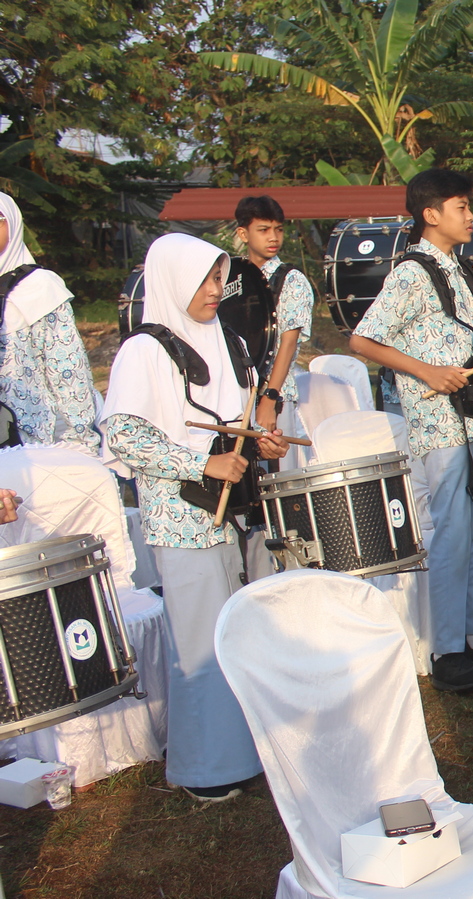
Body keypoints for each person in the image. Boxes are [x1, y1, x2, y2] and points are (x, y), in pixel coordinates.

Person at [102, 233, 290, 802]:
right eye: (206, 280)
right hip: (183, 516)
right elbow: (124, 433)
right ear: (171, 281)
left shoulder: (229, 340)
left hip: (237, 511)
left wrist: (261, 443)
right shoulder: (144, 350)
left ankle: (253, 749)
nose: (216, 291)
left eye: (218, 279)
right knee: (201, 643)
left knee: (247, 635)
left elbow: (236, 424)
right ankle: (207, 767)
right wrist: (199, 460)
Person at [348, 168, 473, 692]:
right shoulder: (412, 273)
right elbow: (364, 341)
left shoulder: (465, 269)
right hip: (440, 424)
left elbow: (470, 342)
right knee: (454, 532)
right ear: (431, 215)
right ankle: (447, 649)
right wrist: (427, 372)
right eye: (462, 207)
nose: (472, 216)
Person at [0, 192, 102, 456]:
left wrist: (81, 441)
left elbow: (68, 370)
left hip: (25, 445)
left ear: (12, 224)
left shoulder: (39, 287)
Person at [232, 195, 315, 447]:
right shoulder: (229, 277)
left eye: (278, 229)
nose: (273, 238)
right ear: (243, 234)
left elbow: (288, 345)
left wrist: (269, 398)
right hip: (235, 393)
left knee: (276, 474)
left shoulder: (290, 280)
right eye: (263, 230)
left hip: (274, 393)